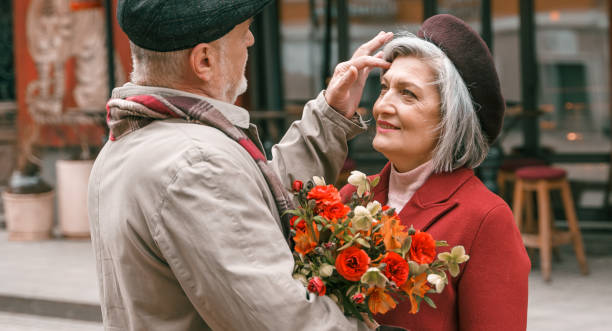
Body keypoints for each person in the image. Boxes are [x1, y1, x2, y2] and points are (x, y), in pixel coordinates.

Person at [88, 0, 393, 330]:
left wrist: (329, 118)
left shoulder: (134, 143)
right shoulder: (196, 164)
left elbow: (251, 203)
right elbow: (286, 321)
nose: (250, 41)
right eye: (244, 32)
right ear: (203, 60)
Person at [340, 14, 530, 331]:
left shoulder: (485, 219)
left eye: (408, 94)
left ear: (450, 118)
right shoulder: (352, 197)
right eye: (385, 88)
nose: (383, 105)